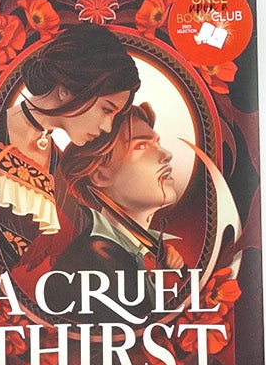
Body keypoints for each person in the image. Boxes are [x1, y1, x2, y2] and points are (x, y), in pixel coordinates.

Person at [0, 26, 141, 265]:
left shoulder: (57, 165)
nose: (108, 127)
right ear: (66, 91)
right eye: (106, 110)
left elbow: (91, 229)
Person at [59, 102, 187, 285]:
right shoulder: (93, 258)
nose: (167, 154)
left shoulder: (151, 249)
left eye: (157, 143)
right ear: (101, 176)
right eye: (141, 146)